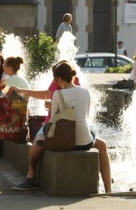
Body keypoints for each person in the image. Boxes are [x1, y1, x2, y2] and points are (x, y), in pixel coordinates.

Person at [13, 60, 112, 193]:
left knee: (37, 141)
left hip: (64, 140)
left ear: (59, 78)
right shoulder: (85, 91)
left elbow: (53, 121)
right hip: (85, 142)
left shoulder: (57, 94)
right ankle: (108, 189)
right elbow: (85, 115)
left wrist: (52, 107)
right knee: (94, 131)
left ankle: (31, 175)